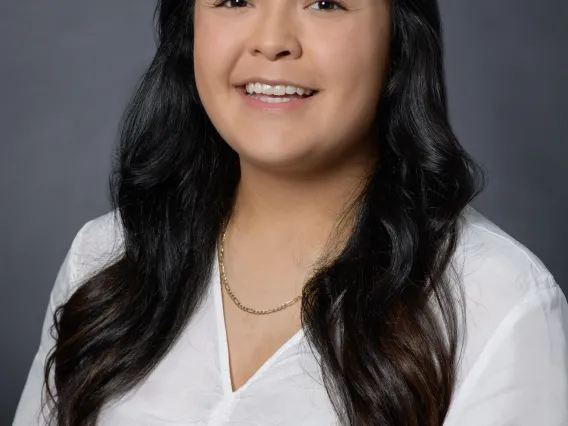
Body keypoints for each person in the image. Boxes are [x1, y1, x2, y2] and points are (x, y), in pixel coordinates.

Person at [13, 0, 568, 424]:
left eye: (325, 2)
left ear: (399, 35)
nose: (272, 41)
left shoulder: (500, 304)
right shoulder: (106, 259)